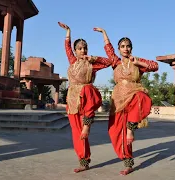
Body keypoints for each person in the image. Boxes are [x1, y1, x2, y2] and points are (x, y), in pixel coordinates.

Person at [94, 27, 159, 175]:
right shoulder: (115, 62)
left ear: (131, 48)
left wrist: (138, 62)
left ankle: (131, 130)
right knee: (114, 131)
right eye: (122, 46)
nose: (125, 48)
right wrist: (104, 33)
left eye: (128, 46)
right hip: (118, 101)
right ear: (119, 49)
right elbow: (108, 49)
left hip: (133, 96)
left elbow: (155, 66)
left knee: (141, 97)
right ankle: (127, 160)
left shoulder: (136, 62)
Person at [58, 22, 111, 173]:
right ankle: (83, 161)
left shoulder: (91, 64)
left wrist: (93, 58)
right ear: (75, 51)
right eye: (80, 48)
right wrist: (68, 31)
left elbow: (108, 62)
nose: (83, 50)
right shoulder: (73, 61)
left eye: (85, 48)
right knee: (76, 133)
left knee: (83, 131)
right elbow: (67, 48)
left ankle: (87, 126)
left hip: (86, 96)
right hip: (72, 99)